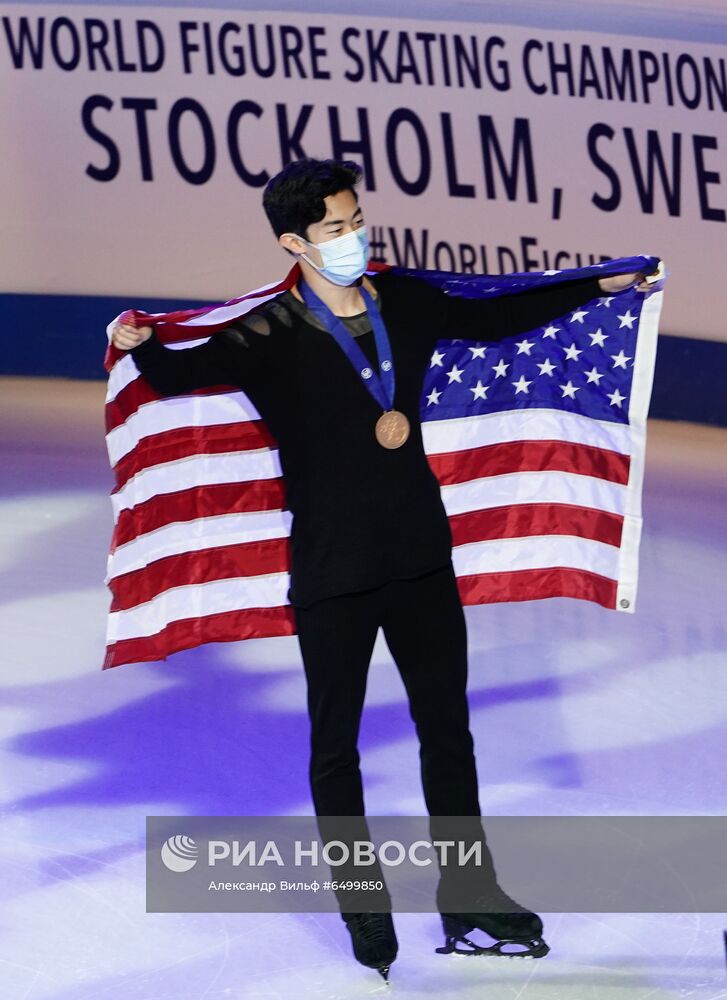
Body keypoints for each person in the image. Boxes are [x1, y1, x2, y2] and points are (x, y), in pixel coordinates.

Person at [110, 157, 657, 983]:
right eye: (334, 229)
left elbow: (495, 319)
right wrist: (134, 342)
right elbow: (177, 372)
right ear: (295, 242)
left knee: (448, 731)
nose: (353, 237)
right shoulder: (267, 336)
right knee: (337, 748)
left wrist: (596, 291)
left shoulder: (400, 300)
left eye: (355, 219)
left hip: (416, 557)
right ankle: (361, 902)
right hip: (332, 571)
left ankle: (469, 888)